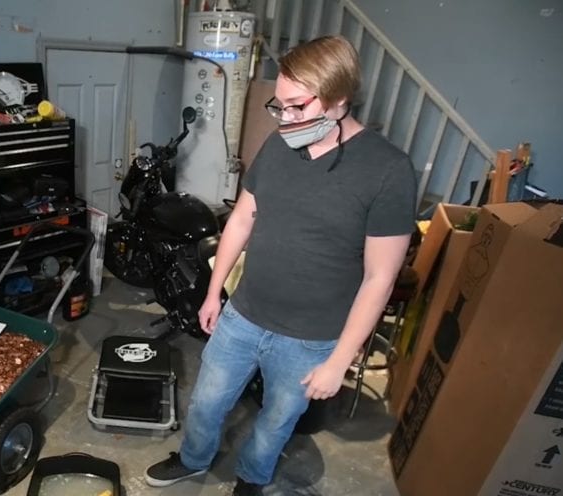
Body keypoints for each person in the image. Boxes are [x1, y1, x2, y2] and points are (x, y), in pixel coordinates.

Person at [144, 35, 416, 495]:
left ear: (339, 100)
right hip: (244, 315)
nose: (286, 118)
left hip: (310, 339)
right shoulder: (279, 144)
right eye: (280, 105)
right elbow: (241, 220)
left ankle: (252, 478)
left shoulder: (388, 171)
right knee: (207, 402)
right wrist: (214, 293)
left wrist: (340, 359)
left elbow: (379, 277)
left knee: (276, 420)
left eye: (297, 107)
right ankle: (193, 458)